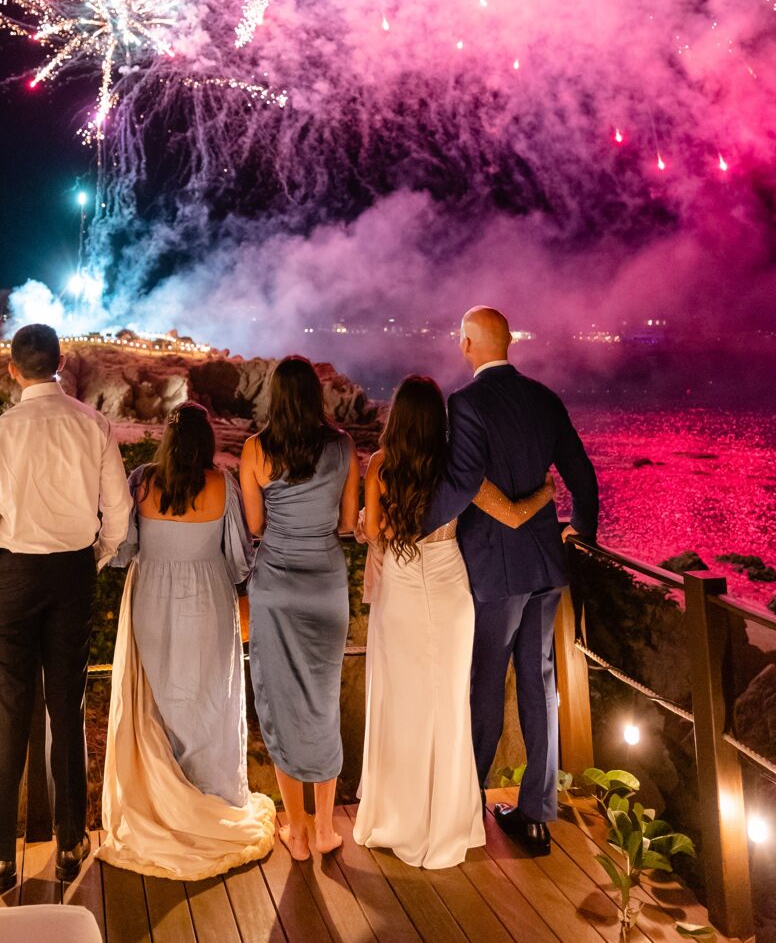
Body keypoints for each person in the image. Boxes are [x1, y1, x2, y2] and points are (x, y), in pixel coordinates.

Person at [353, 375, 556, 868]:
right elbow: (508, 515)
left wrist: (362, 522)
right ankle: (446, 818)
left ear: (396, 416)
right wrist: (545, 495)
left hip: (402, 591)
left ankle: (399, 815)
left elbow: (373, 534)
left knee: (401, 703)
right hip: (449, 590)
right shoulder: (456, 467)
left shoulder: (380, 466)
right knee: (447, 704)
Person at [421, 306, 599, 855]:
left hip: (495, 570)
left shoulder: (467, 402)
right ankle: (537, 813)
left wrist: (415, 525)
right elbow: (581, 472)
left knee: (485, 681)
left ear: (471, 343)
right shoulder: (544, 397)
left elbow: (463, 479)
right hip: (545, 561)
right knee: (539, 682)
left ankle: (467, 800)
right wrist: (582, 531)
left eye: (462, 339)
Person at [0, 323, 131, 891]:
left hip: (12, 573)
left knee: (10, 715)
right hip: (71, 573)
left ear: (13, 369)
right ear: (61, 363)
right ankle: (71, 841)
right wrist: (97, 556)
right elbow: (119, 511)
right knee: (67, 704)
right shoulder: (94, 425)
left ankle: (2, 854)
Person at [98, 402, 276, 879]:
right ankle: (210, 798)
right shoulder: (222, 484)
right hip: (207, 599)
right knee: (208, 700)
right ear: (207, 440)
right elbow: (239, 560)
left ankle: (159, 802)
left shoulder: (141, 481)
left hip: (150, 597)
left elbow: (124, 547)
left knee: (155, 700)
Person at [240, 356, 360, 860]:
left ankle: (297, 832)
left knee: (280, 703)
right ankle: (327, 826)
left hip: (276, 587)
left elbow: (254, 525)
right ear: (316, 396)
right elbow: (349, 522)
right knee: (322, 701)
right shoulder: (343, 446)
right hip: (325, 584)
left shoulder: (255, 451)